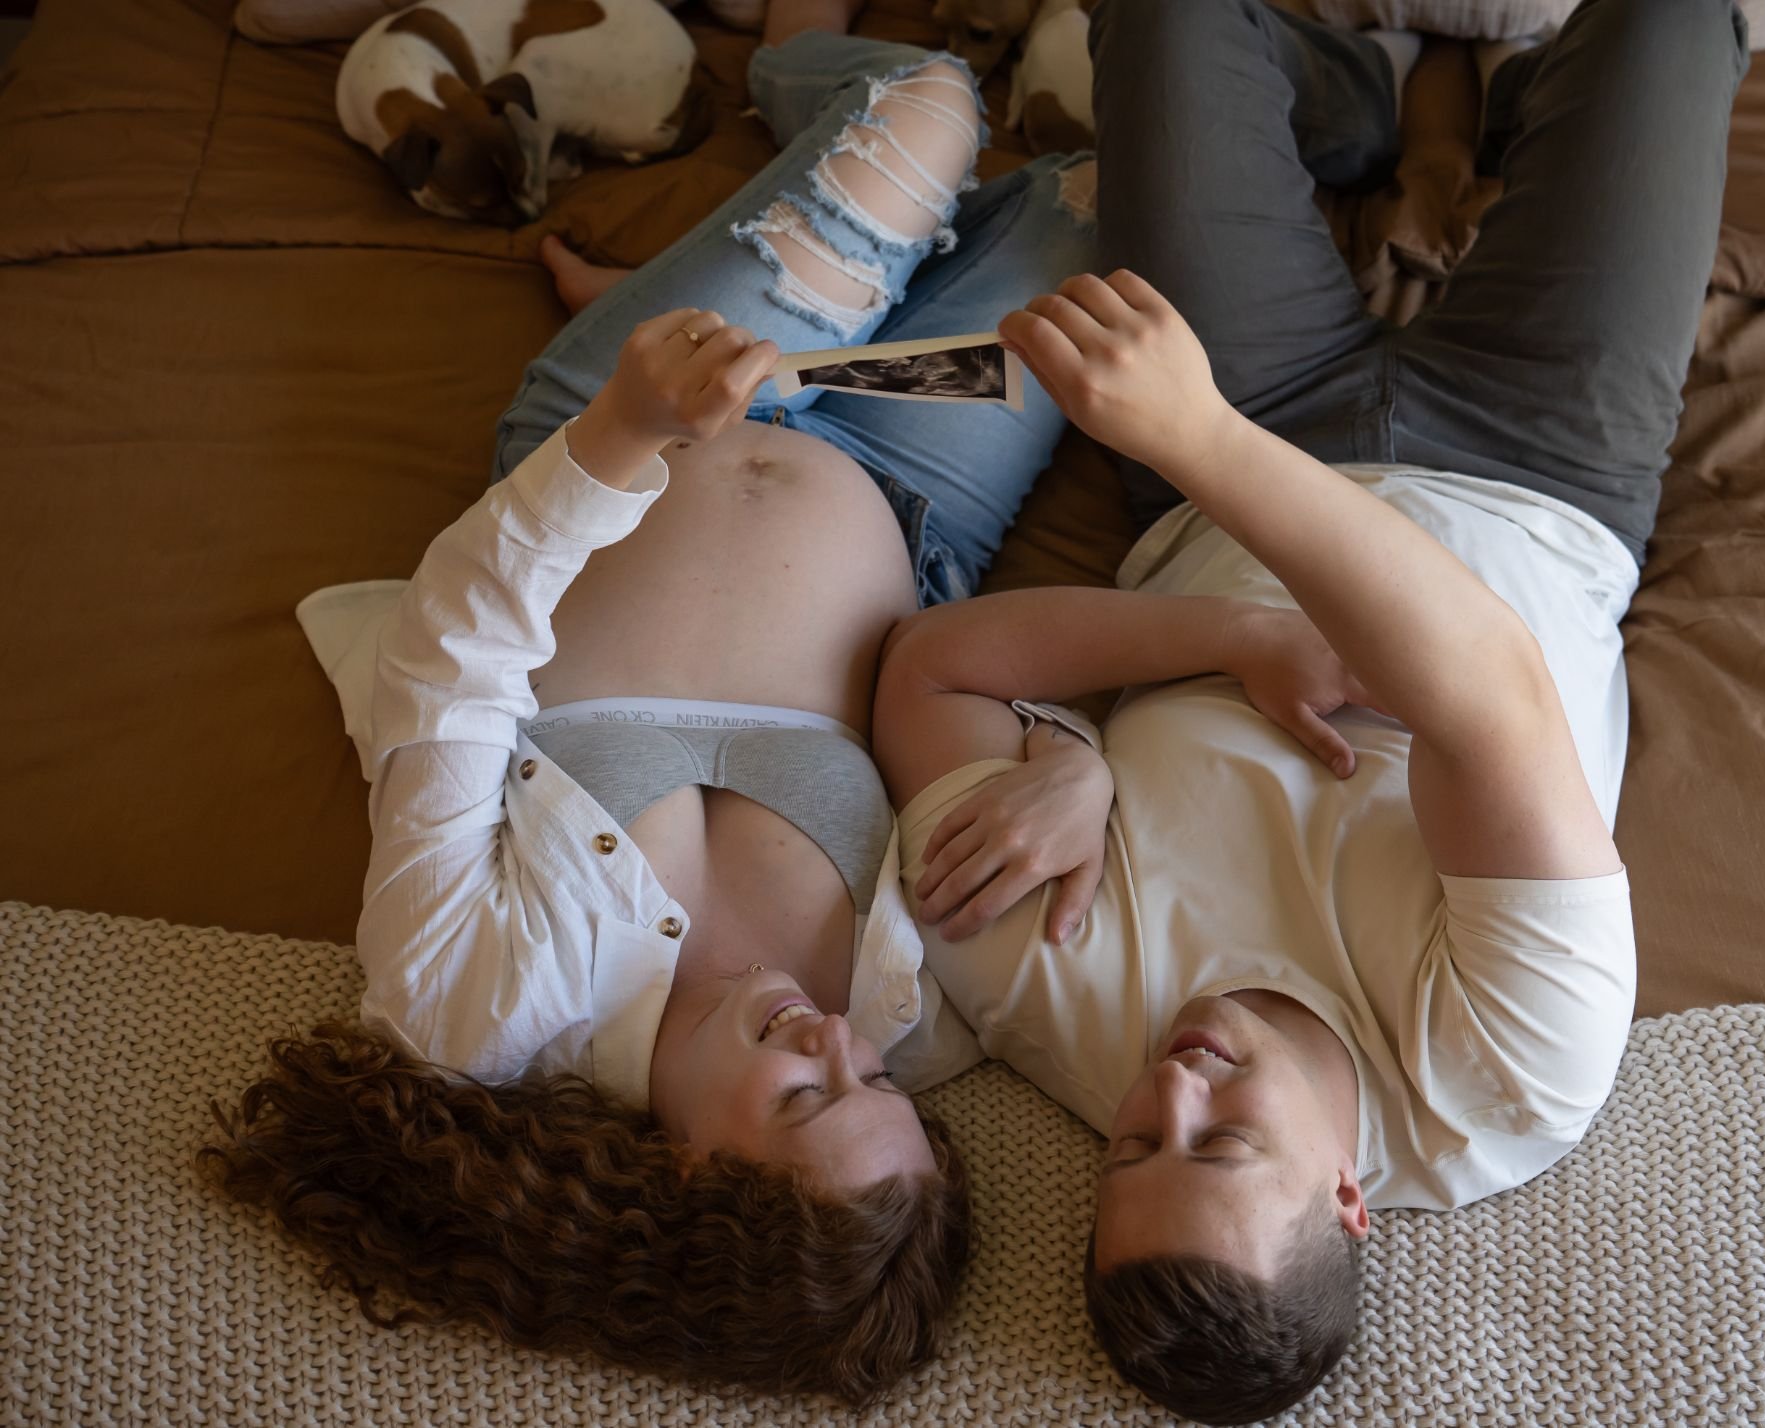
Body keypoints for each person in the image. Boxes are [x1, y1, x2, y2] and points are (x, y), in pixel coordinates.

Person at [204, 0, 1099, 1402]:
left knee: (931, 103)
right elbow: (1006, 740)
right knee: (1101, 192)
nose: (840, 1045)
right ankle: (790, 180)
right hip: (910, 497)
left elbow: (448, 660)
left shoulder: (476, 1007)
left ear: (683, 1180)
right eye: (875, 1088)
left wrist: (622, 435)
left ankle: (787, 55)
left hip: (641, 427)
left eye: (804, 1100)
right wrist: (1080, 769)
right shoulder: (923, 1007)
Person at [868, 0, 1749, 1421]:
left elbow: (925, 666)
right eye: (1220, 1146)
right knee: (1672, 22)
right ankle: (1493, 101)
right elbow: (1489, 695)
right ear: (1349, 1196)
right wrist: (1193, 432)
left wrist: (1116, 713)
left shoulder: (1048, 995)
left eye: (1131, 1148)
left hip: (1237, 447)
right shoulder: (1507, 1074)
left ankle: (1351, 99)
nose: (1174, 1089)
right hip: (1540, 465)